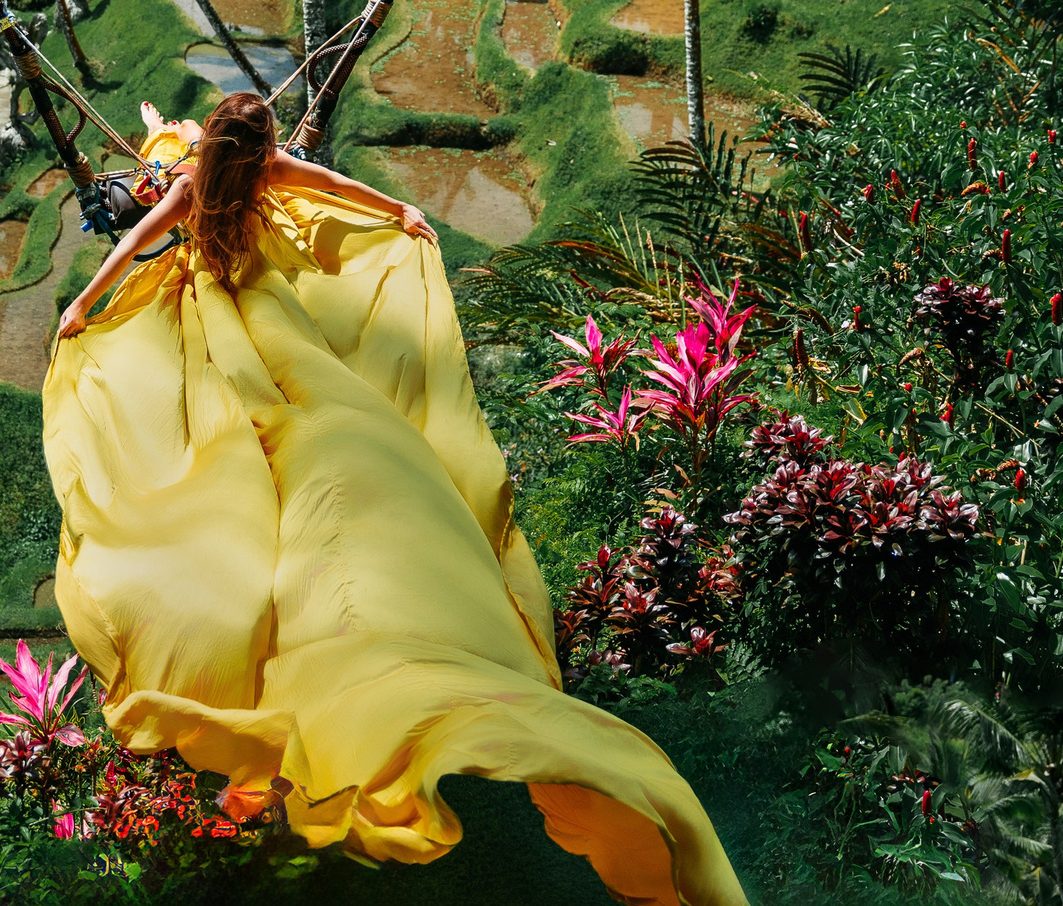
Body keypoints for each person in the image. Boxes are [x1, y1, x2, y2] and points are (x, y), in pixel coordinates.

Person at [45, 93, 744, 903]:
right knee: (306, 389)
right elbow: (336, 185)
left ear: (213, 147)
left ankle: (157, 125)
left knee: (240, 408)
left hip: (216, 298)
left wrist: (83, 305)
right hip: (266, 296)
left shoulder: (189, 184)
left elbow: (133, 242)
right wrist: (401, 211)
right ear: (259, 143)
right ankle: (159, 125)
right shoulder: (267, 167)